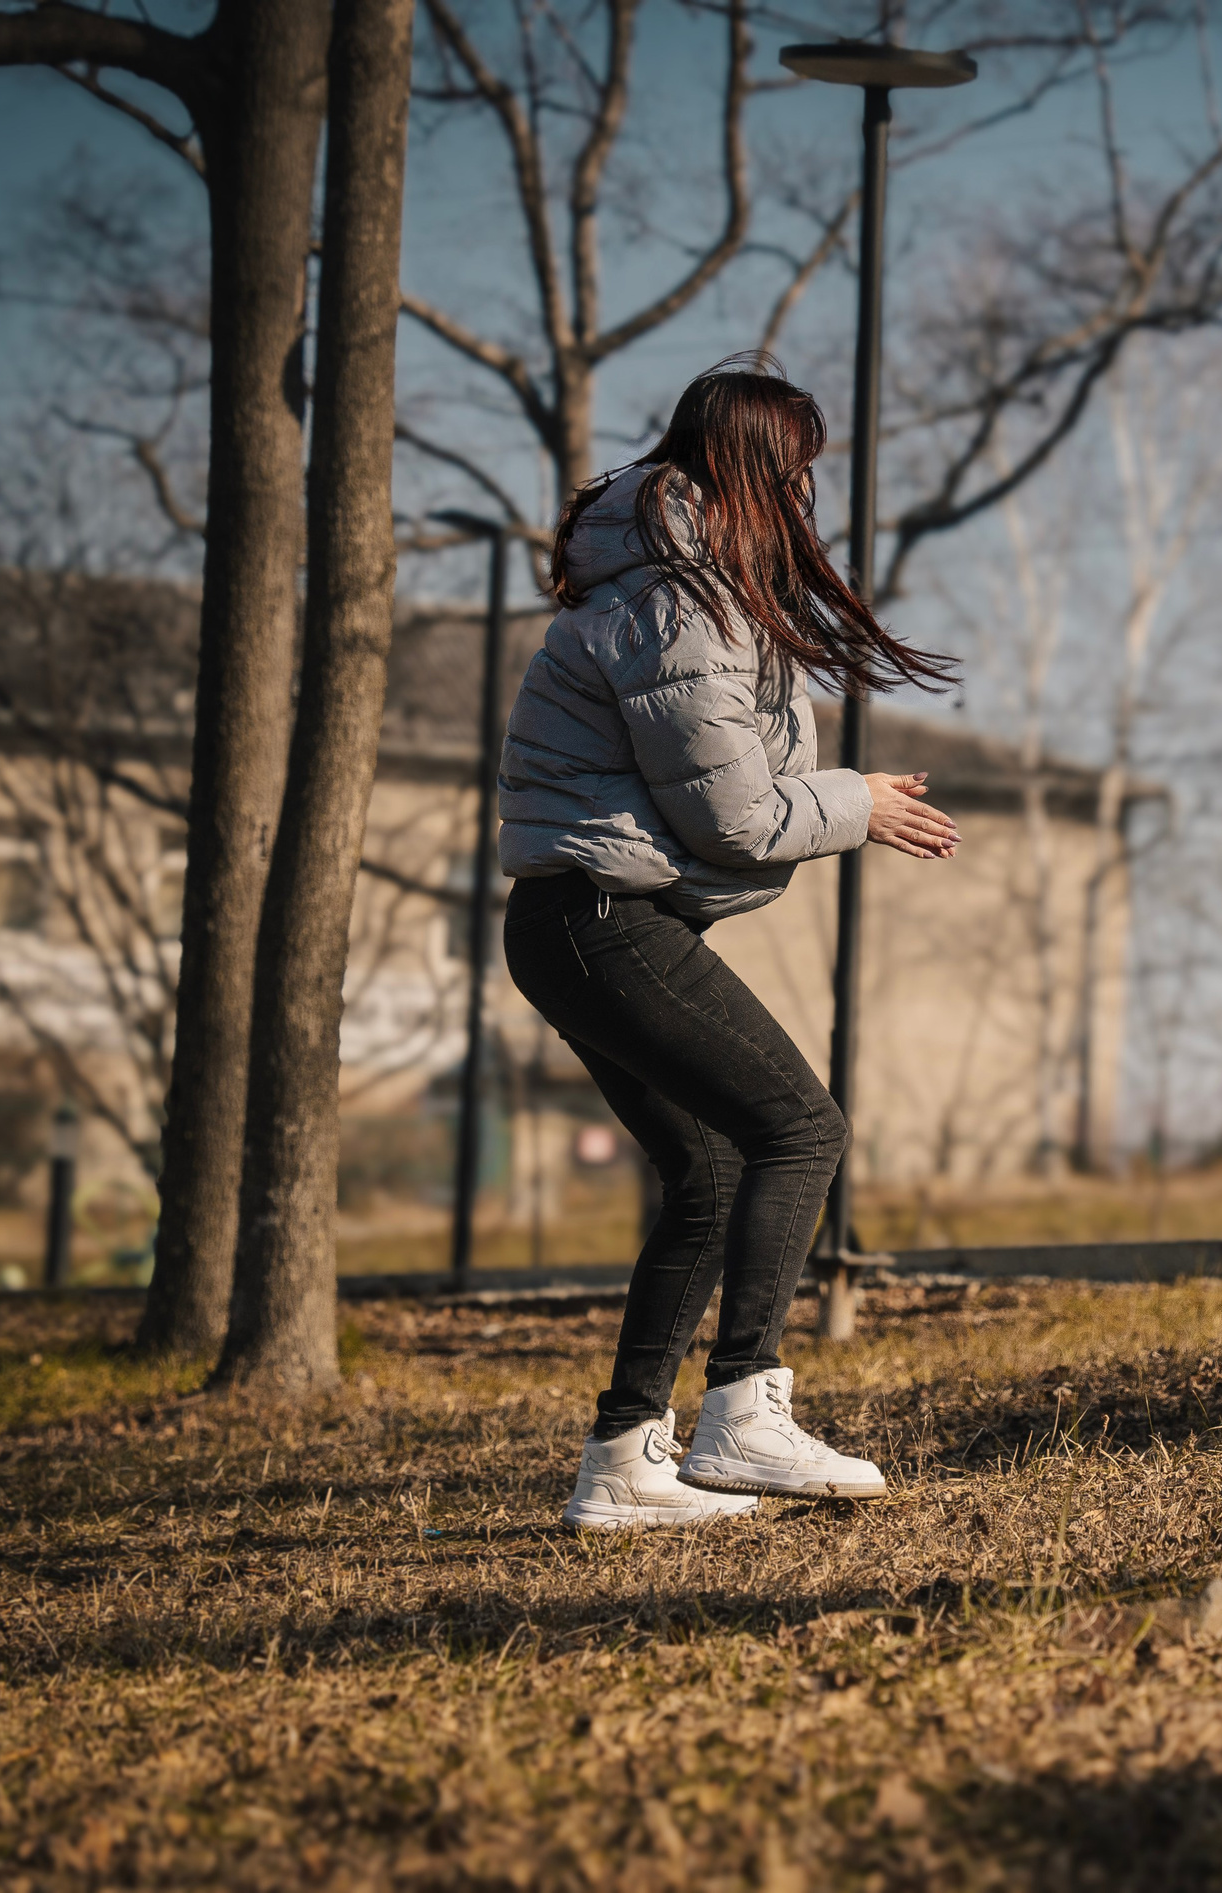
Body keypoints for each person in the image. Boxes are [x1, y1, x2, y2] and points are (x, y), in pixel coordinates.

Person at [498, 358, 960, 1530]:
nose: (807, 498)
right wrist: (857, 805)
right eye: (797, 473)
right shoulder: (677, 604)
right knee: (800, 1130)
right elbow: (738, 817)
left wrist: (844, 795)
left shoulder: (681, 585)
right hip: (605, 920)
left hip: (581, 920)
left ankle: (621, 1464)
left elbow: (740, 785)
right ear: (751, 471)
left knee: (708, 1172)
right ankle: (743, 1417)